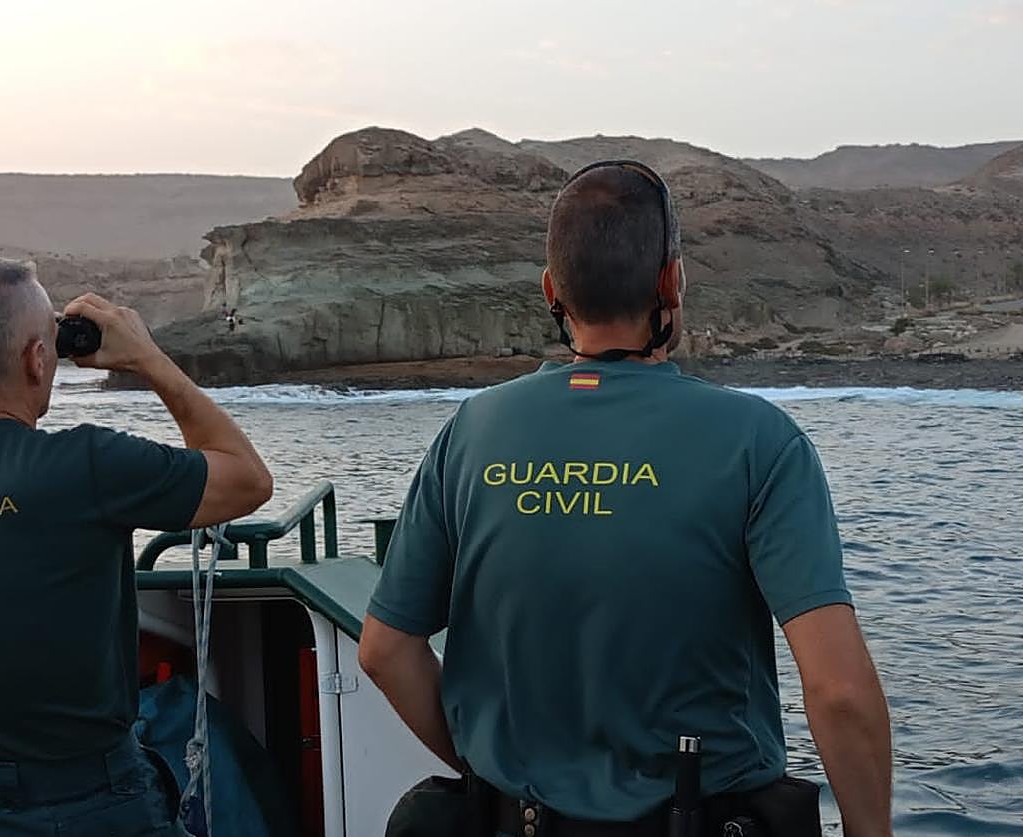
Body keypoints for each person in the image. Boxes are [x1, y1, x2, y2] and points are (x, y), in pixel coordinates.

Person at [358, 163, 892, 837]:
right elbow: (839, 692)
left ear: (552, 291)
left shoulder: (470, 432)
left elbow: (385, 649)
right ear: (670, 283)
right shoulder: (760, 441)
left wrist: (489, 772)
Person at [0, 259, 273, 836]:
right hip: (95, 803)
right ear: (37, 358)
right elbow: (248, 479)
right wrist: (147, 358)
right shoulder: (88, 465)